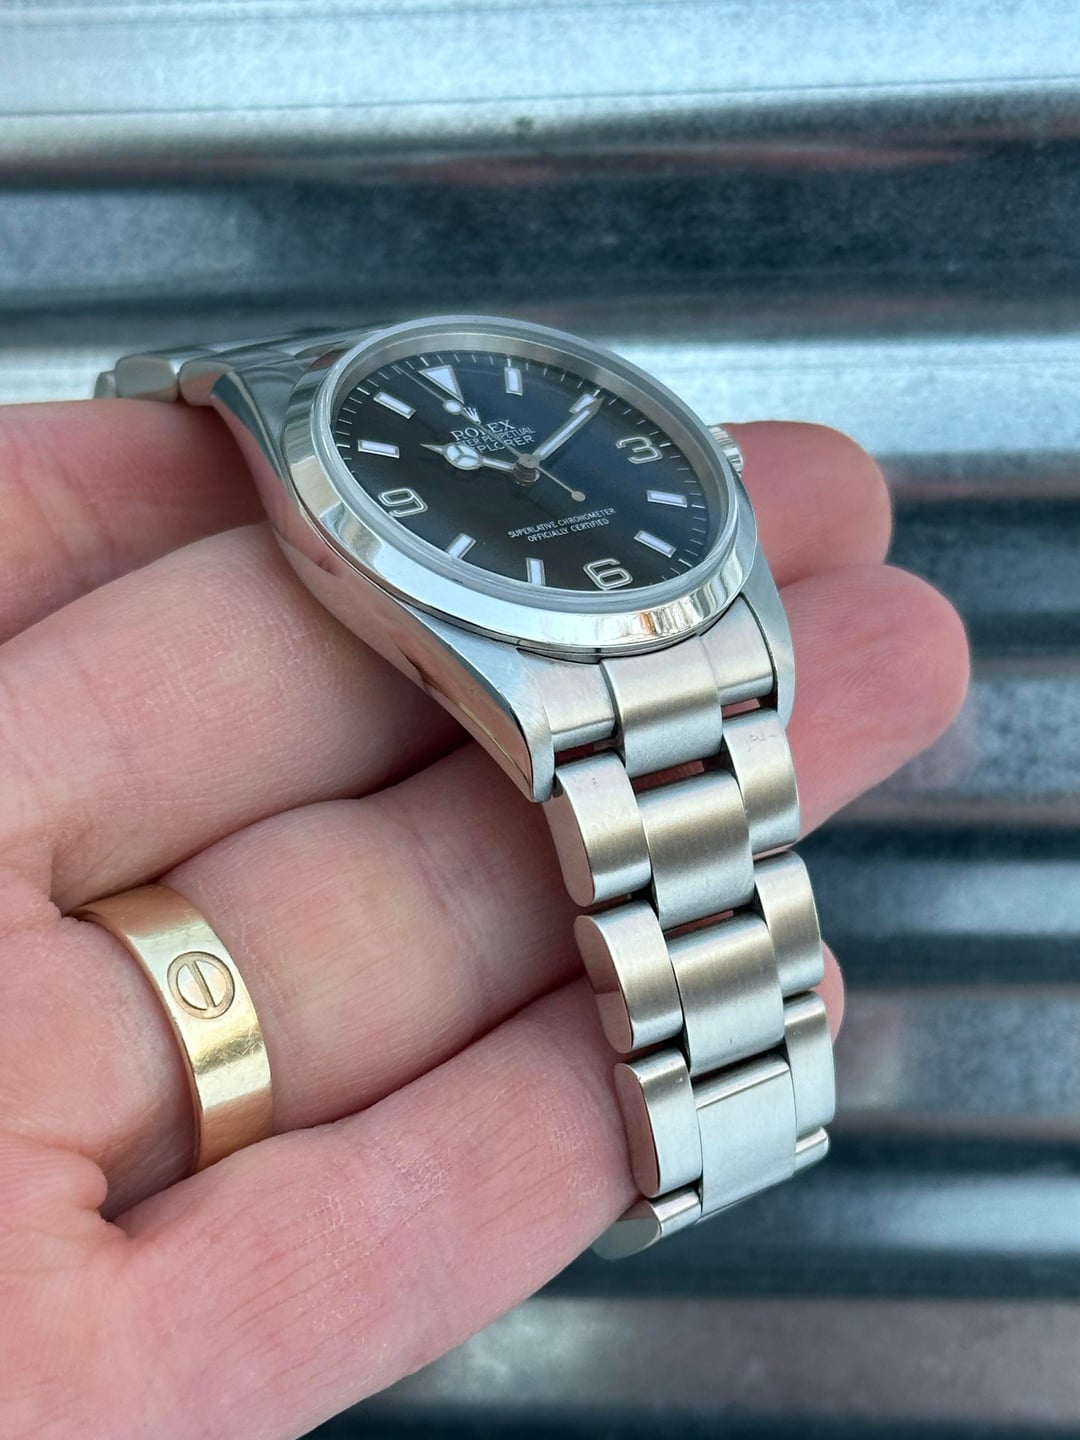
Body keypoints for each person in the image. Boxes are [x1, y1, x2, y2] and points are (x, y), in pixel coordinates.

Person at [0, 398, 969, 1439]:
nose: (521, 470)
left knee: (743, 803)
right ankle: (728, 1116)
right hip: (524, 645)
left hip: (637, 615)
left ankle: (740, 1102)